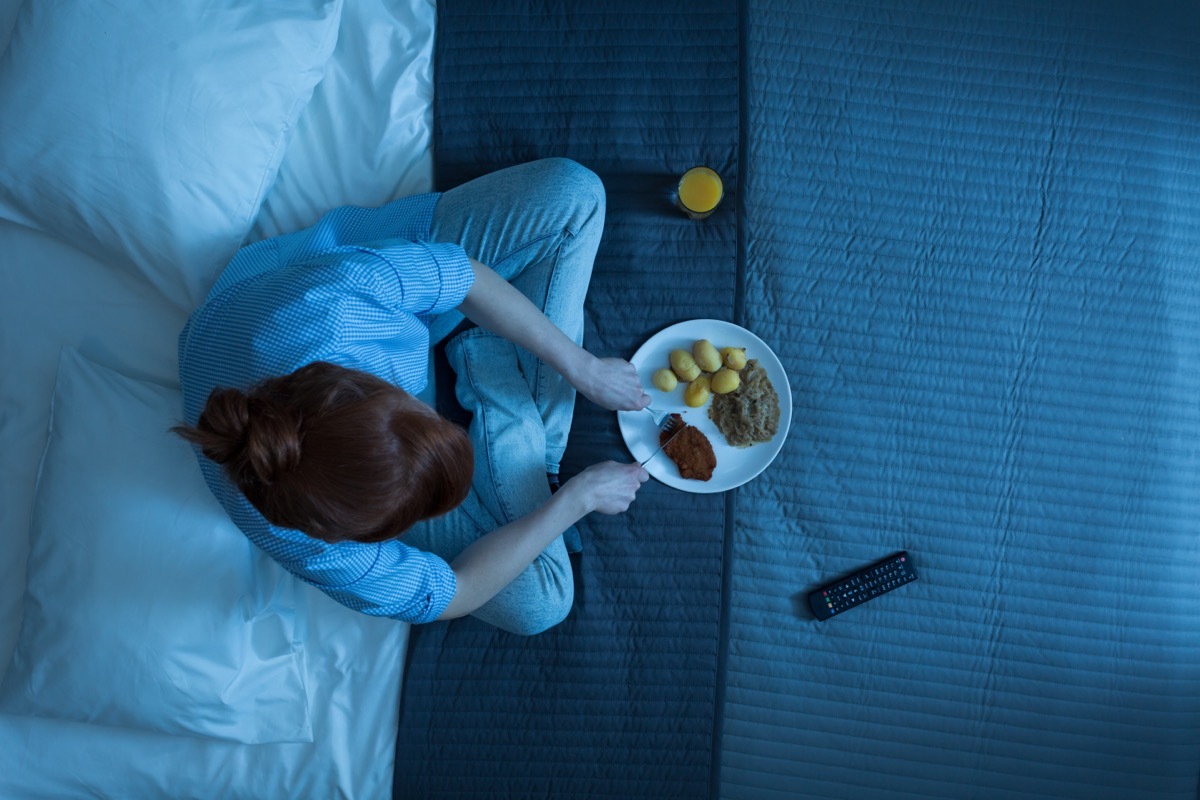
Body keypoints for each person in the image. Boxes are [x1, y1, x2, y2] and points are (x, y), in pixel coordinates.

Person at [175, 158, 652, 635]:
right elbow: (459, 593)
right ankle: (514, 415)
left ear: (382, 384)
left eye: (429, 414)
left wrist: (581, 367)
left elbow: (465, 277)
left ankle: (504, 398)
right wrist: (575, 498)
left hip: (315, 298)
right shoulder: (321, 549)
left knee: (574, 192)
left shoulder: (343, 302)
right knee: (540, 603)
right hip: (324, 418)